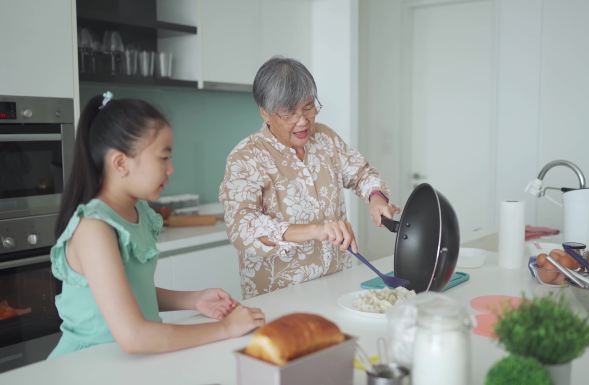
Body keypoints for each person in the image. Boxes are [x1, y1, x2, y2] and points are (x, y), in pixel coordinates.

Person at [49, 92, 265, 358]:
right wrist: (225, 328)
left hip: (128, 362)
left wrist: (193, 299)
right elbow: (134, 337)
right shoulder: (94, 228)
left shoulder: (136, 210)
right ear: (120, 163)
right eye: (163, 157)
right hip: (90, 364)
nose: (171, 168)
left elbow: (130, 290)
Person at [219, 57, 399, 299]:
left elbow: (361, 173)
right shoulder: (246, 157)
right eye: (289, 112)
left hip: (338, 283)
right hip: (279, 296)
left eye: (308, 107)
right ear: (265, 113)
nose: (303, 120)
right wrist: (316, 230)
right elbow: (242, 227)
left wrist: (376, 198)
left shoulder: (325, 138)